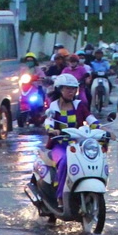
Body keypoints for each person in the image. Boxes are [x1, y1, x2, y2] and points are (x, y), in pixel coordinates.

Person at [44, 72, 99, 208]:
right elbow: (49, 121)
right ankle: (60, 196)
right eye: (67, 88)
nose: (71, 91)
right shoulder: (54, 107)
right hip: (60, 145)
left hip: (78, 144)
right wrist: (51, 130)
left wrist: (101, 128)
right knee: (65, 161)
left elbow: (90, 118)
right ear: (59, 90)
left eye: (74, 88)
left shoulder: (79, 105)